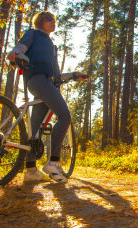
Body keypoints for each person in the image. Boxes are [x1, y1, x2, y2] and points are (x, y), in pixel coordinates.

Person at [7, 11, 86, 183]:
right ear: (41, 21)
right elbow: (21, 46)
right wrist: (14, 53)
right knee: (65, 117)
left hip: (46, 84)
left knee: (35, 128)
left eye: (54, 19)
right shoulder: (34, 34)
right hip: (37, 80)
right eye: (50, 19)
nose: (53, 22)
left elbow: (56, 75)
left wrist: (73, 75)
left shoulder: (52, 46)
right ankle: (53, 162)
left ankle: (31, 170)